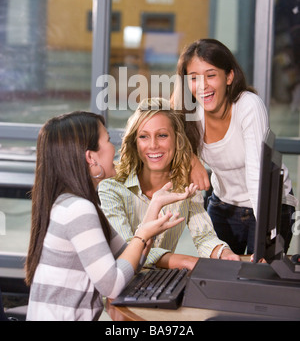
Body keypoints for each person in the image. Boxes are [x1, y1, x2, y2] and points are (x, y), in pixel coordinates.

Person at [25, 111, 194, 321]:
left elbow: (127, 256)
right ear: (91, 157)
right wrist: (142, 235)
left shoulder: (78, 203)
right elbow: (112, 285)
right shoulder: (78, 209)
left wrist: (155, 205)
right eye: (108, 140)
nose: (114, 148)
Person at [172, 38, 297, 255]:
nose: (203, 86)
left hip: (269, 203)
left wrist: (266, 238)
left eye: (211, 75)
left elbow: (258, 174)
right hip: (224, 205)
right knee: (219, 272)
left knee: (260, 276)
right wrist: (191, 159)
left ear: (229, 76)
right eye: (193, 78)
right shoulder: (190, 113)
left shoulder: (248, 105)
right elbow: (164, 124)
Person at [99, 97, 239, 270]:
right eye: (144, 136)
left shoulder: (186, 185)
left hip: (162, 281)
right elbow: (126, 251)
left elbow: (204, 236)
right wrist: (184, 261)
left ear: (177, 140)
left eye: (162, 135)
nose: (153, 145)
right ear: (135, 142)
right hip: (120, 284)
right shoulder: (112, 187)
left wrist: (223, 254)